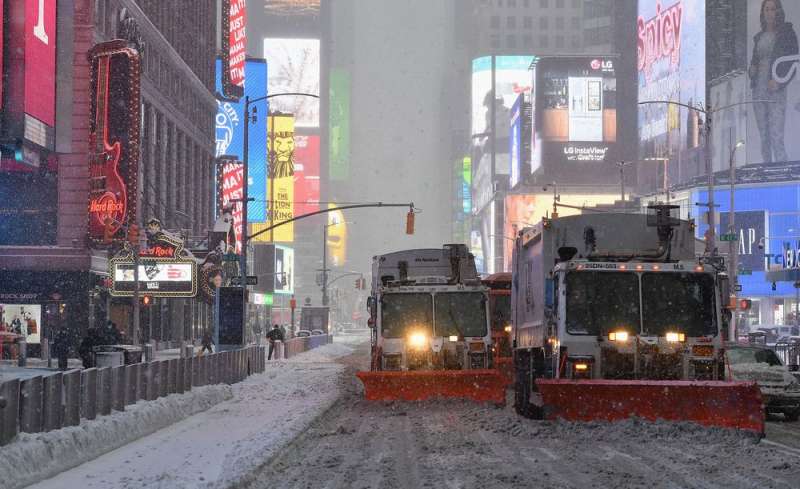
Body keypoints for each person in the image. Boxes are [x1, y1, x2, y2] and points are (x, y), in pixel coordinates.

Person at [749, 0, 799, 163]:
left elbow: (793, 60)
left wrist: (779, 82)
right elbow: (755, 62)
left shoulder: (786, 32)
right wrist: (752, 70)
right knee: (765, 137)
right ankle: (767, 171)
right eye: (767, 9)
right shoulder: (759, 37)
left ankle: (782, 172)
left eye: (772, 9)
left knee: (776, 135)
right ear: (763, 13)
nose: (770, 12)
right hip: (759, 91)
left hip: (775, 90)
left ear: (778, 11)